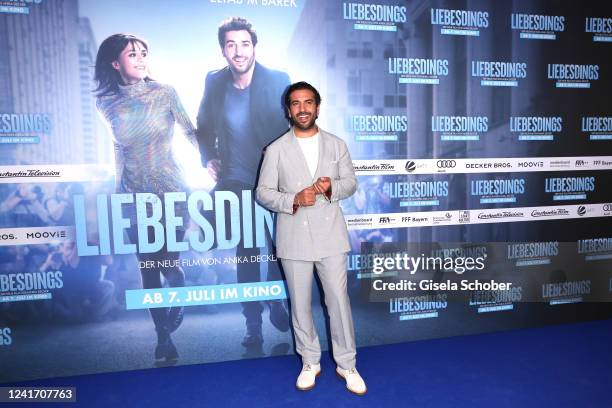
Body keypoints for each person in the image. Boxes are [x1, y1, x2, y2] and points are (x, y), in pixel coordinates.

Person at [256, 82, 367, 395]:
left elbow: (351, 184)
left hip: (331, 237)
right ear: (288, 110)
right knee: (300, 305)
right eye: (295, 103)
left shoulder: (336, 144)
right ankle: (310, 361)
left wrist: (331, 186)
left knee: (339, 304)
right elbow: (263, 193)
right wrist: (293, 198)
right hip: (293, 239)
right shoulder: (276, 149)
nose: (302, 108)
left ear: (318, 107)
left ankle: (347, 364)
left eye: (308, 102)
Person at [94, 33, 198, 361]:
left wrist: (211, 161)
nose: (140, 59)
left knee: (171, 266)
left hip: (171, 190)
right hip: (134, 194)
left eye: (143, 53)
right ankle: (162, 336)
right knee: (148, 265)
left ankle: (178, 296)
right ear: (115, 63)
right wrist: (116, 189)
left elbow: (190, 130)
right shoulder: (105, 103)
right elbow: (118, 146)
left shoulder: (165, 93)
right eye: (132, 54)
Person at [196, 17, 290, 348]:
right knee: (247, 253)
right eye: (231, 44)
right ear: (223, 49)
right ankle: (253, 323)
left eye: (245, 44)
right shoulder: (214, 82)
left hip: (273, 179)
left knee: (279, 250)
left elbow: (292, 129)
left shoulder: (278, 80)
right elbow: (204, 125)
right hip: (235, 179)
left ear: (254, 47)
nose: (239, 52)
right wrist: (208, 156)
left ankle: (277, 300)